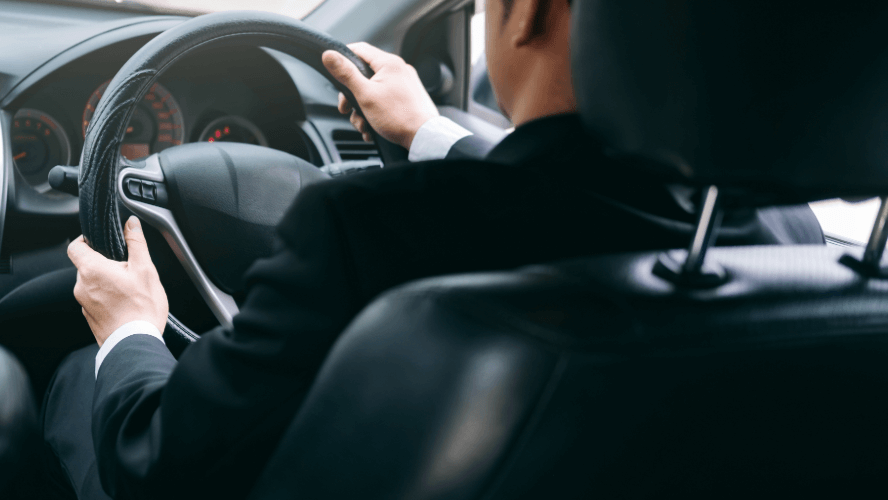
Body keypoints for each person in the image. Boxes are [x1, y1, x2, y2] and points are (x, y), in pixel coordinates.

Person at [43, 0, 826, 498]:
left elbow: (157, 464)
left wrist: (133, 329)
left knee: (85, 378)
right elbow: (586, 209)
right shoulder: (803, 252)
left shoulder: (361, 231)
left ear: (528, 14)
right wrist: (429, 135)